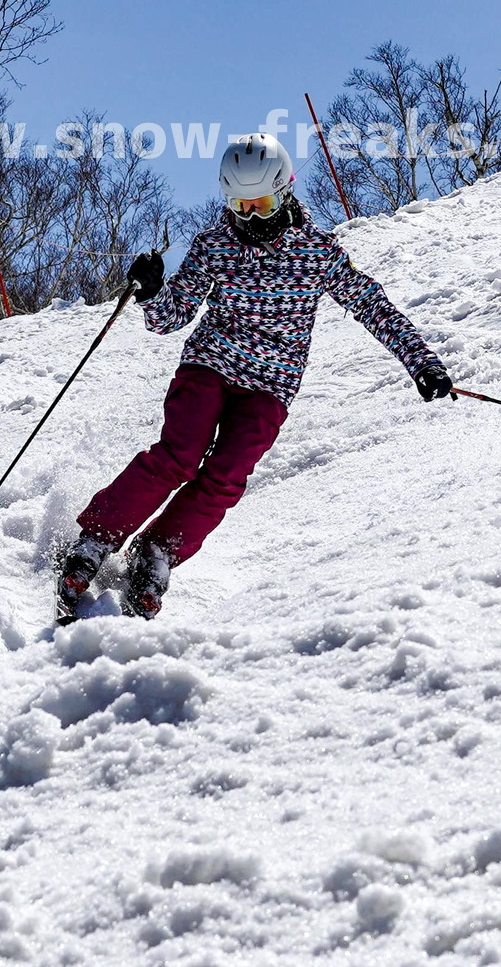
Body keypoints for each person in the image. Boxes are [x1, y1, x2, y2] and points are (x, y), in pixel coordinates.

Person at [56, 133, 454, 623]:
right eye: (241, 205)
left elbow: (372, 305)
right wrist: (152, 292)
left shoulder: (317, 252)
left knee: (226, 477)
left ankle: (157, 549)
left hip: (270, 388)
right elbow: (169, 317)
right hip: (210, 367)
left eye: (262, 203)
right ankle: (97, 537)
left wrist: (422, 362)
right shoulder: (215, 245)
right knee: (179, 456)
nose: (252, 217)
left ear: (285, 192)